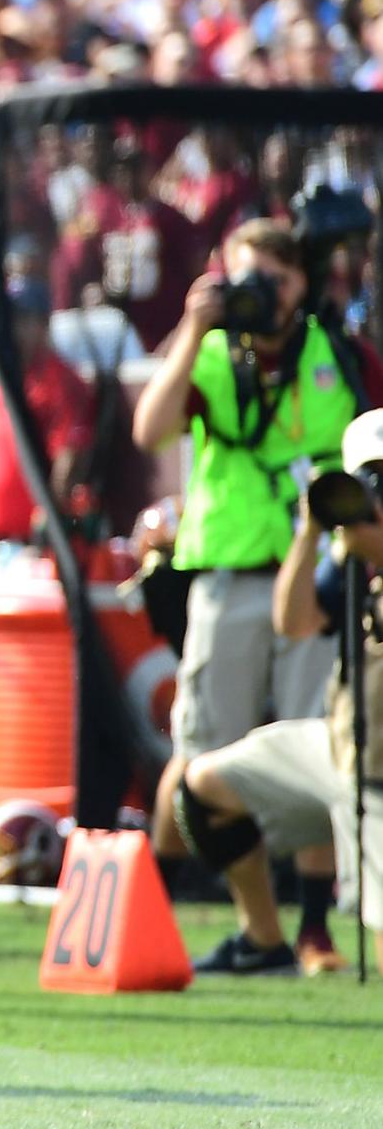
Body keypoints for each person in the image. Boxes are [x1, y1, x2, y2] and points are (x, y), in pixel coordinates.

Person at [133, 218, 365, 916]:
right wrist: (189, 329)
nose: (263, 294)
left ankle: (317, 924)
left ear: (302, 282)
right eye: (248, 278)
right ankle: (219, 919)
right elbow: (150, 430)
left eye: (277, 278)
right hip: (229, 573)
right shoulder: (207, 353)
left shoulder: (339, 353)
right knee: (202, 748)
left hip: (315, 577)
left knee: (315, 746)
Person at [174, 405, 383, 975]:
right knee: (203, 788)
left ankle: (320, 926)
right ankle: (264, 937)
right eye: (369, 482)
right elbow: (293, 621)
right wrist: (312, 526)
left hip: (381, 776)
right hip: (343, 747)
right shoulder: (348, 556)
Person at [0, 279, 96, 546]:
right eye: (10, 320)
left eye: (24, 319)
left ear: (44, 324)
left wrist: (49, 521)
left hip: (34, 544)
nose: (14, 330)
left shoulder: (59, 381)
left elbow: (69, 454)